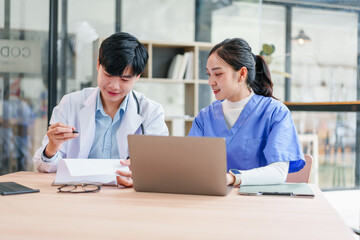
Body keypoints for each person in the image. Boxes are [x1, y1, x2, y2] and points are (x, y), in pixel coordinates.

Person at [33, 32, 168, 186]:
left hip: (126, 196)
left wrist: (141, 172)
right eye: (108, 75)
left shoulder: (151, 112)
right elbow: (44, 167)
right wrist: (52, 147)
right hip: (78, 192)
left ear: (137, 76)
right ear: (98, 65)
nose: (114, 86)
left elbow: (158, 167)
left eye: (124, 79)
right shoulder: (70, 104)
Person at [189, 38, 305, 186]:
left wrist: (233, 178)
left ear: (242, 74)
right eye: (209, 74)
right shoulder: (205, 117)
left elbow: (278, 172)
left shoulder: (275, 112)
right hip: (213, 201)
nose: (211, 82)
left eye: (218, 74)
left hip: (258, 203)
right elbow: (192, 165)